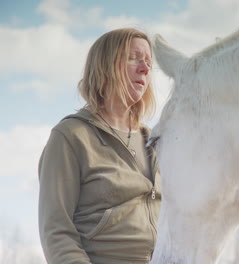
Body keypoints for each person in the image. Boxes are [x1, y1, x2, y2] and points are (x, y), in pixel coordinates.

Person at [38, 28, 161, 264]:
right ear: (105, 65)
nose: (145, 68)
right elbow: (56, 231)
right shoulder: (70, 137)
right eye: (134, 58)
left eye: (148, 62)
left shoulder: (155, 141)